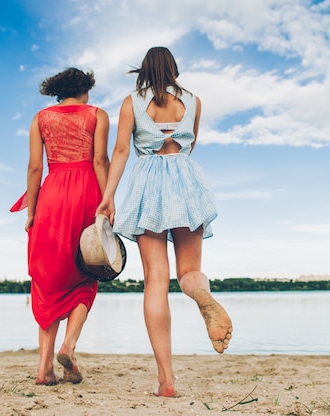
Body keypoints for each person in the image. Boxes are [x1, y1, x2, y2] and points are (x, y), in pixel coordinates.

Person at [96, 47, 232, 397]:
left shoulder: (131, 102)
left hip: (148, 183)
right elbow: (190, 146)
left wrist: (109, 196)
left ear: (142, 70)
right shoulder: (194, 101)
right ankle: (202, 294)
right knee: (188, 272)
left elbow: (122, 151)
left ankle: (166, 381)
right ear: (174, 69)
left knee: (156, 280)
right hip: (187, 182)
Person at [10, 67, 110, 386]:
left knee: (48, 282)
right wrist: (108, 202)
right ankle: (69, 347)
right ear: (84, 88)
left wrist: (32, 212)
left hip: (52, 195)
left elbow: (35, 167)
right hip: (87, 193)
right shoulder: (97, 115)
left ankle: (44, 369)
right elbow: (99, 161)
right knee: (86, 273)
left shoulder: (41, 118)